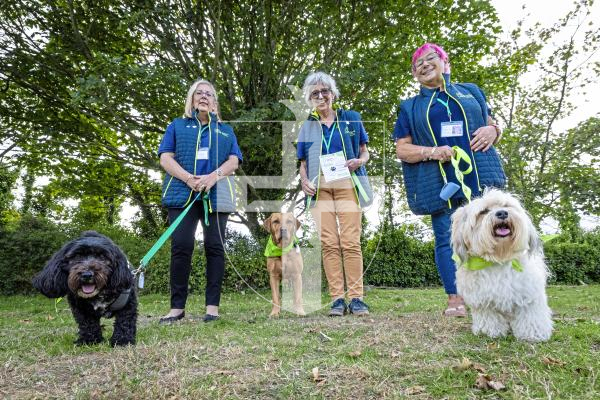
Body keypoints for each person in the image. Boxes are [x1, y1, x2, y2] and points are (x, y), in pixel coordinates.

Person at [393, 43, 506, 317]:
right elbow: (402, 149)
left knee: (493, 233)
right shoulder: (410, 107)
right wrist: (432, 152)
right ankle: (456, 298)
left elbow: (492, 123)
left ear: (446, 63)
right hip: (442, 182)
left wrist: (494, 130)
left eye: (430, 58)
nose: (423, 65)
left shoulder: (472, 92)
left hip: (481, 177)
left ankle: (496, 295)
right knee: (448, 239)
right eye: (417, 64)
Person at [158, 79, 242, 323]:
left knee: (215, 248)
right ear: (192, 99)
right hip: (182, 195)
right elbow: (165, 158)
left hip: (216, 196)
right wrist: (188, 179)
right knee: (181, 247)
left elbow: (234, 161)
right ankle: (177, 308)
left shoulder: (225, 130)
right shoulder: (177, 125)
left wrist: (212, 177)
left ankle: (212, 308)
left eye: (209, 94)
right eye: (199, 93)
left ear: (215, 102)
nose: (204, 97)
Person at [297, 71, 373, 316]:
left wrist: (359, 162)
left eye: (325, 91)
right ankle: (337, 299)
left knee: (351, 241)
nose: (321, 96)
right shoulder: (307, 126)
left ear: (333, 93)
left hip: (347, 184)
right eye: (315, 93)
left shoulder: (351, 118)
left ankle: (357, 298)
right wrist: (304, 180)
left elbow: (365, 152)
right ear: (310, 98)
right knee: (329, 243)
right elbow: (302, 162)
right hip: (320, 188)